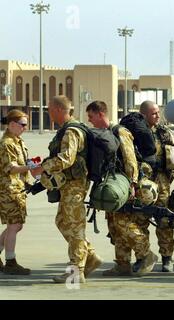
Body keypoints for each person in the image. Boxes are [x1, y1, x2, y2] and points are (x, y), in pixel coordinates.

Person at [85, 101, 158, 276]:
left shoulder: (120, 131)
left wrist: (133, 185)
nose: (90, 121)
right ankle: (122, 264)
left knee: (122, 222)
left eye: (91, 116)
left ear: (101, 114)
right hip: (113, 184)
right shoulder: (104, 133)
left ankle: (146, 254)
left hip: (125, 185)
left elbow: (130, 159)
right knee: (114, 226)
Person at [33, 95, 100, 283]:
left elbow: (66, 158)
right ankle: (91, 256)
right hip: (68, 185)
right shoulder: (66, 129)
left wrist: (42, 167)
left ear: (57, 109)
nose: (48, 114)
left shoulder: (71, 131)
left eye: (49, 110)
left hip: (75, 185)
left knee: (74, 226)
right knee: (62, 221)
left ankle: (76, 270)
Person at [139, 100, 174, 272]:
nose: (158, 116)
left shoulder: (163, 132)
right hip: (142, 184)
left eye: (158, 112)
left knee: (164, 220)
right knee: (140, 219)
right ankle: (143, 256)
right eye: (153, 113)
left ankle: (167, 258)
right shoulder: (137, 132)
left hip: (162, 183)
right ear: (144, 114)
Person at [0, 110, 39, 275]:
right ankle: (10, 261)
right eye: (22, 124)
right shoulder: (7, 143)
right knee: (14, 225)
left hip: (18, 188)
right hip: (9, 189)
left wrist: (32, 164)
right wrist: (30, 167)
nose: (25, 127)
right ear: (11, 124)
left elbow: (22, 162)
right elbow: (11, 168)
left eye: (26, 124)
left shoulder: (18, 141)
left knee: (16, 225)